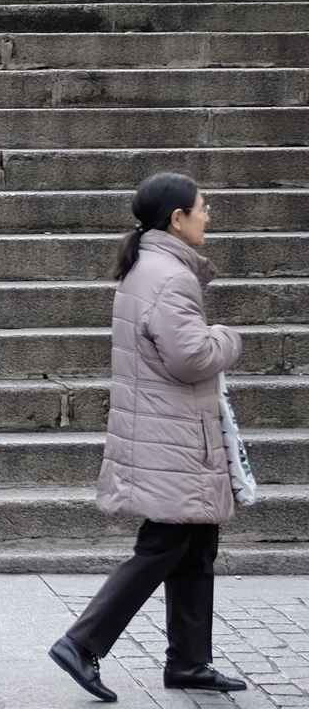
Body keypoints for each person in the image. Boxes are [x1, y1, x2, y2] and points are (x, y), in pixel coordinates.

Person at [49, 172, 248, 702]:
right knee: (164, 545)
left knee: (196, 545)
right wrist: (229, 338)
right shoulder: (169, 276)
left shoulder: (150, 266)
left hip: (169, 432)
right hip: (173, 438)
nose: (208, 216)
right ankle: (81, 642)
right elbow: (193, 357)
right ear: (176, 219)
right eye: (203, 208)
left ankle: (189, 661)